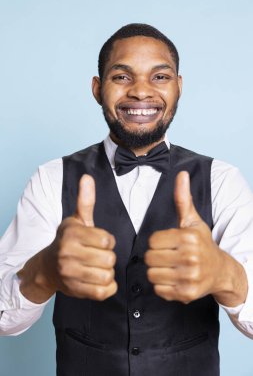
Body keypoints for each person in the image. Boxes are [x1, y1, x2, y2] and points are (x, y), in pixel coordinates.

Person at [0, 23, 253, 376]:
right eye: (122, 77)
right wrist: (43, 271)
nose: (141, 91)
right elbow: (5, 322)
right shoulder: (51, 178)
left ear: (179, 87)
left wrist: (226, 275)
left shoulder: (222, 180)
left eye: (160, 77)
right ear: (97, 88)